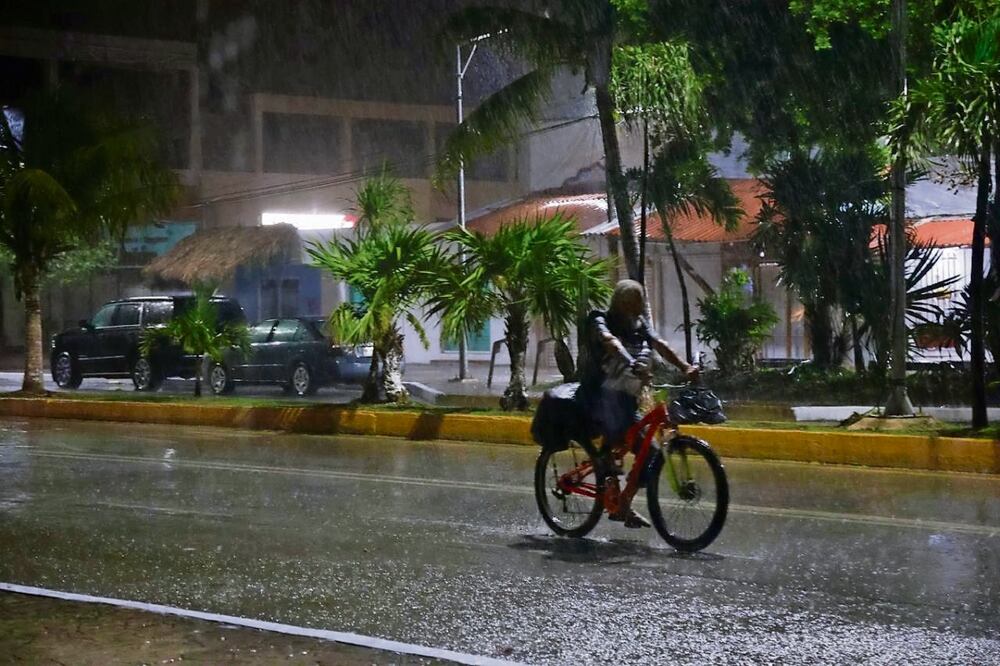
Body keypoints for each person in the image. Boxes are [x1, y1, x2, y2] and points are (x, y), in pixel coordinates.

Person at [576, 279, 699, 528]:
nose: (634, 309)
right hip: (598, 397)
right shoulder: (600, 319)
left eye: (637, 303)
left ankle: (623, 504)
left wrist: (685, 366)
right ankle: (606, 472)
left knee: (651, 453)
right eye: (629, 304)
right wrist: (629, 359)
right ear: (619, 303)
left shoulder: (639, 325)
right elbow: (610, 341)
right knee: (618, 439)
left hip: (626, 399)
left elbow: (659, 345)